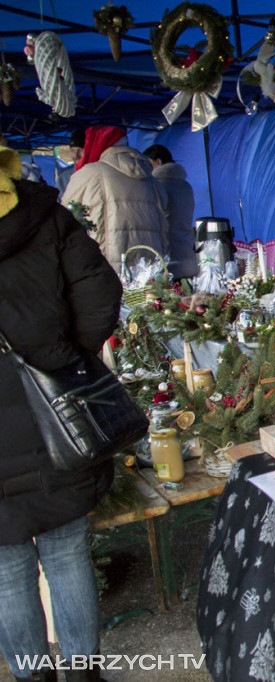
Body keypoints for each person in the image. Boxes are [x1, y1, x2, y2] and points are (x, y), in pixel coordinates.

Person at [0, 144, 122, 682]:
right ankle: (82, 674)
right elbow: (101, 290)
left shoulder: (47, 213)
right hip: (58, 408)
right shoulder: (44, 214)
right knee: (67, 550)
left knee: (6, 569)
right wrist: (71, 358)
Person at [61, 126, 169, 274]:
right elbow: (164, 228)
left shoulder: (89, 174)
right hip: (150, 270)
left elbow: (64, 217)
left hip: (107, 270)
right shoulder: (153, 181)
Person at [143, 144, 197, 280]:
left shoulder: (157, 186)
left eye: (148, 164)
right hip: (189, 255)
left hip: (170, 260)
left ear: (158, 162)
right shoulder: (186, 186)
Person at [56, 128, 85, 198]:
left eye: (80, 150)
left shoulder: (101, 174)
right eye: (72, 150)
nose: (75, 155)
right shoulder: (64, 178)